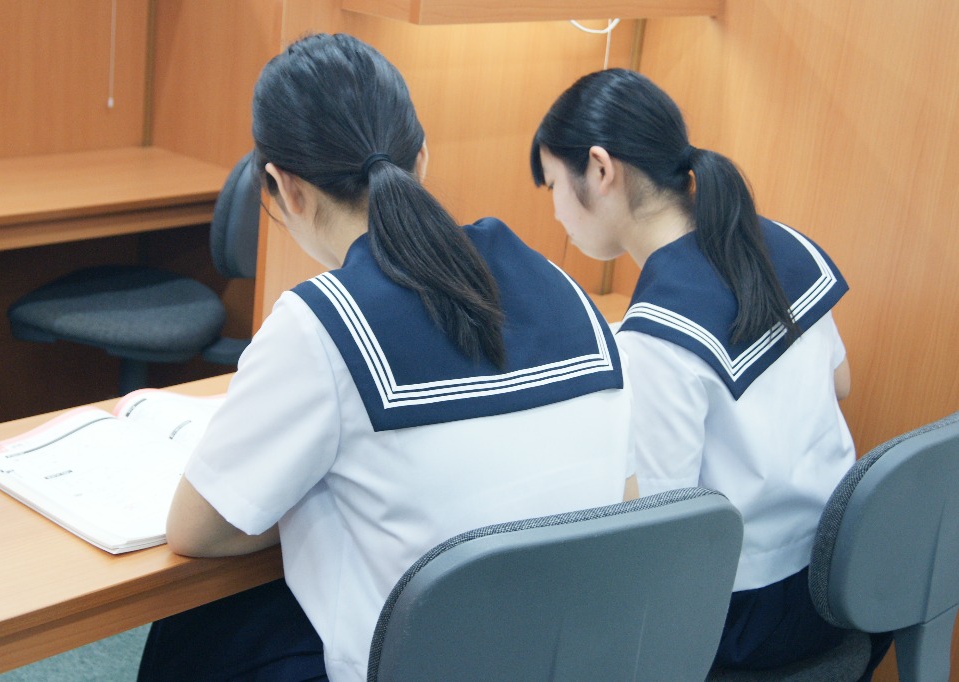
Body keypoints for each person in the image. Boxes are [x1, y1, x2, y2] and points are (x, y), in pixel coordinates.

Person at [138, 34, 636, 682]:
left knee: (193, 633)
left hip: (429, 661)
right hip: (570, 656)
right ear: (421, 158)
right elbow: (621, 495)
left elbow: (196, 530)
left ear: (284, 187)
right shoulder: (565, 288)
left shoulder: (322, 323)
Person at [530, 68, 890, 678]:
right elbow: (840, 382)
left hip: (750, 614)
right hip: (845, 570)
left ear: (599, 169)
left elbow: (665, 524)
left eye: (553, 185)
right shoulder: (774, 242)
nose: (557, 213)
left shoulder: (657, 331)